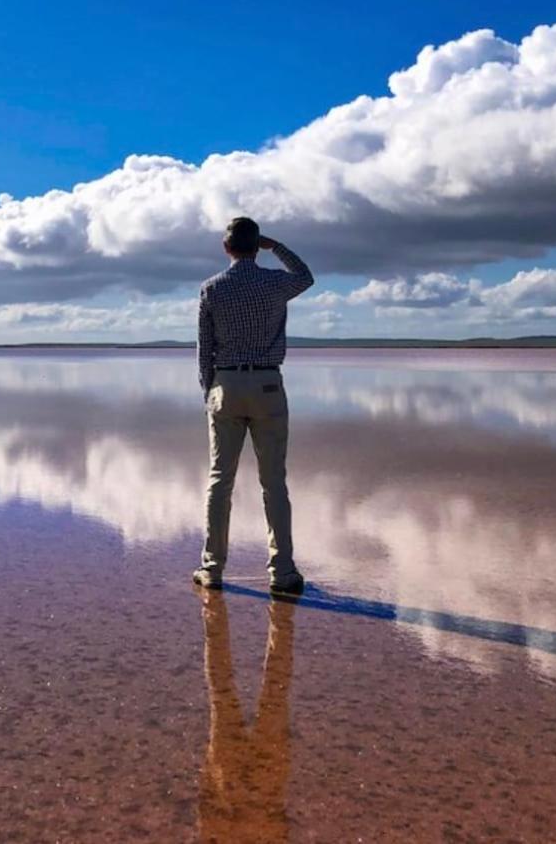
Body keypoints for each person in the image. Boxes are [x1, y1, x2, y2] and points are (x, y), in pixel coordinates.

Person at [193, 216, 313, 594]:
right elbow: (305, 275)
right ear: (255, 244)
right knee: (273, 482)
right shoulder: (275, 283)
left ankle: (212, 569)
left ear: (226, 248)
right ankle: (283, 572)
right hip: (266, 383)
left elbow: (204, 349)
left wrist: (208, 391)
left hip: (225, 384)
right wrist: (275, 246)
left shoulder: (212, 288)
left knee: (219, 481)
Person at [197, 592, 295, 843]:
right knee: (271, 695)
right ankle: (282, 573)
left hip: (239, 805)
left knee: (224, 694)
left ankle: (212, 568)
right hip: (258, 810)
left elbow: (207, 821)